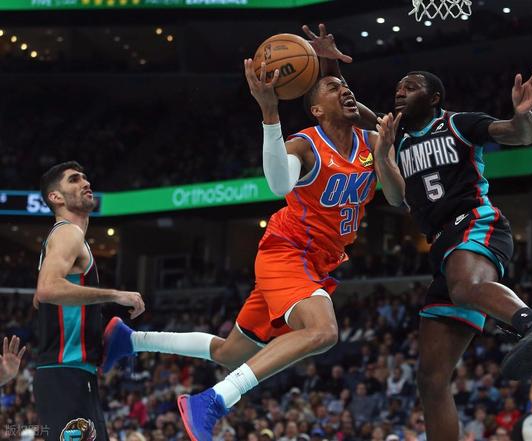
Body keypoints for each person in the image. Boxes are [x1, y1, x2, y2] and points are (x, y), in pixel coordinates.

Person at [101, 26, 394, 441]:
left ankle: (130, 340)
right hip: (288, 251)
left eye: (345, 86)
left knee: (230, 352)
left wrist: (329, 69)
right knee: (323, 331)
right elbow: (278, 185)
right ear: (315, 110)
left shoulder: (372, 141)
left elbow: (395, 184)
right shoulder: (305, 145)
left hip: (318, 262)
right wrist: (270, 113)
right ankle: (214, 400)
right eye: (333, 87)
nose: (345, 91)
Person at [350, 69, 532, 441]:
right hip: (442, 247)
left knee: (464, 286)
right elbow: (394, 194)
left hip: (475, 221)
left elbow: (519, 134)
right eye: (398, 87)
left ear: (434, 97)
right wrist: (382, 155)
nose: (400, 92)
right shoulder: (396, 135)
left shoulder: (459, 124)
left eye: (411, 87)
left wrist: (522, 115)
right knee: (431, 379)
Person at [33, 161, 145, 441]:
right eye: (74, 180)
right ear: (55, 197)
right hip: (66, 373)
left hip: (70, 374)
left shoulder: (66, 239)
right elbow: (46, 290)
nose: (85, 183)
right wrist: (115, 295)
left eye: (85, 177)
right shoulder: (67, 233)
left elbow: (39, 299)